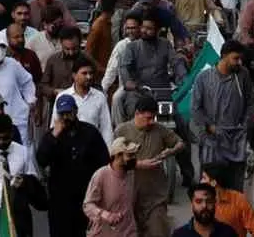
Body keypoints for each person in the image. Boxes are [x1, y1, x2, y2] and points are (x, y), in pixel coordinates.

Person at [37, 94, 111, 237]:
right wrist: (54, 136)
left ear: (76, 111)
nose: (65, 117)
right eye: (62, 114)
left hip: (85, 198)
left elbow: (103, 163)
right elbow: (41, 159)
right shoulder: (52, 135)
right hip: (60, 201)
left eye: (68, 113)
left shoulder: (90, 132)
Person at [113, 96, 185, 236]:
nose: (151, 122)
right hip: (129, 195)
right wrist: (138, 165)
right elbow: (115, 162)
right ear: (137, 113)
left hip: (155, 196)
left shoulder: (160, 130)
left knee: (158, 230)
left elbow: (180, 143)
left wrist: (170, 151)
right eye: (148, 118)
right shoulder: (121, 131)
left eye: (154, 117)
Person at [190, 40, 254, 191]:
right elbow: (196, 109)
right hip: (212, 142)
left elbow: (251, 103)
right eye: (235, 58)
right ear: (224, 56)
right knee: (211, 189)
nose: (239, 62)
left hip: (236, 140)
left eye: (240, 59)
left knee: (235, 190)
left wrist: (245, 125)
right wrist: (210, 127)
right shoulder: (203, 78)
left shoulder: (243, 75)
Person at [83, 137, 141, 237]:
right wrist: (105, 214)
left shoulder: (131, 175)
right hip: (104, 233)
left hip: (128, 232)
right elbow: (87, 205)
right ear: (118, 156)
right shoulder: (101, 175)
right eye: (130, 155)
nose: (134, 158)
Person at [52, 57, 114, 145]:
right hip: (67, 148)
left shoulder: (99, 97)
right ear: (74, 75)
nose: (89, 77)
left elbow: (106, 128)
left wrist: (108, 153)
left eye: (91, 73)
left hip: (92, 147)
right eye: (84, 73)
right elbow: (55, 125)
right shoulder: (62, 97)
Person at [195, 167, 254, 237]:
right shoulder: (201, 203)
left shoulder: (239, 200)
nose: (201, 182)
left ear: (213, 183)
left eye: (204, 178)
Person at [171, 182, 241, 237]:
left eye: (209, 201)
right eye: (199, 201)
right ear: (192, 204)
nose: (204, 206)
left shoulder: (228, 233)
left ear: (215, 203)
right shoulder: (180, 235)